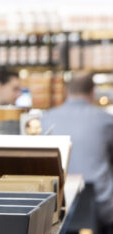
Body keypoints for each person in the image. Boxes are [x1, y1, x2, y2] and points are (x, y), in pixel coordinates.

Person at [43, 75, 113, 224]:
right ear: (92, 92)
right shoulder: (106, 120)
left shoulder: (46, 119)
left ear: (65, 91)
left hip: (57, 203)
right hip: (99, 204)